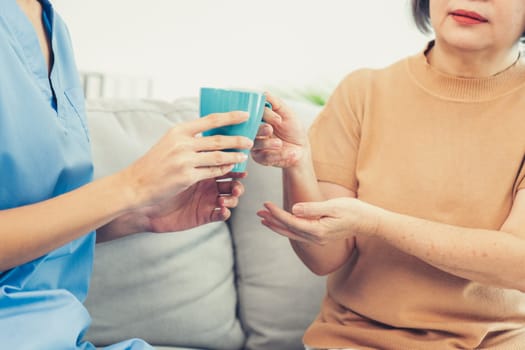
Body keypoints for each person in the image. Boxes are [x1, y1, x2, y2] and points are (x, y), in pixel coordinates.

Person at [253, 0, 525, 349]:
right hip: (354, 340)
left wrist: (376, 223)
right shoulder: (362, 92)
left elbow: (517, 264)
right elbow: (324, 258)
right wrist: (297, 163)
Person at [0, 0, 254, 349]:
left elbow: (34, 223)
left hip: (50, 332)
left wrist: (142, 215)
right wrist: (132, 186)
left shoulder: (52, 27)